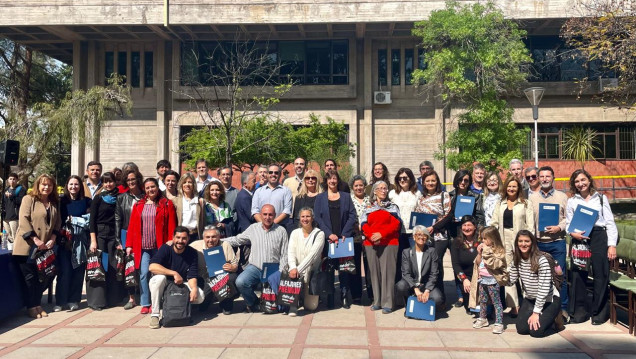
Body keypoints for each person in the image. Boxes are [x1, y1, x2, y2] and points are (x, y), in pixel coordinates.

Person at [566, 169, 617, 325]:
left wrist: (612, 245)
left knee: (601, 275)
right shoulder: (572, 201)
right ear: (573, 184)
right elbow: (568, 223)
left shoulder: (601, 199)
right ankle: (579, 313)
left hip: (599, 237)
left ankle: (599, 313)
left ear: (589, 180)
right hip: (580, 239)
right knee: (578, 275)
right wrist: (573, 234)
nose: (580, 184)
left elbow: (610, 223)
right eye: (577, 181)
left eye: (583, 180)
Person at [222, 204, 288, 313]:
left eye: (270, 214)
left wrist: (281, 272)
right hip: (255, 267)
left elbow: (285, 253)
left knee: (272, 305)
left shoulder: (281, 231)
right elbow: (238, 240)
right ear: (261, 215)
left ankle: (268, 302)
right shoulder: (253, 228)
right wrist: (220, 241)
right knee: (241, 282)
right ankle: (253, 303)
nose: (267, 217)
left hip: (273, 268)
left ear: (275, 215)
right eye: (265, 214)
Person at [126, 178, 177, 314]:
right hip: (143, 248)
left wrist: (171, 240)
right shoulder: (138, 205)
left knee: (159, 275)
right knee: (143, 274)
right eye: (147, 188)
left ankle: (159, 301)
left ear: (157, 187)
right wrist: (129, 244)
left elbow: (172, 224)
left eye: (153, 187)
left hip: (160, 247)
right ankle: (145, 302)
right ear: (145, 190)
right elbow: (132, 227)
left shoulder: (166, 203)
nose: (150, 190)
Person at [14, 174, 61, 318]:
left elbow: (57, 222)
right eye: (44, 184)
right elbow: (23, 220)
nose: (46, 187)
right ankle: (31, 306)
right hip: (27, 247)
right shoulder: (28, 199)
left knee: (43, 277)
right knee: (30, 278)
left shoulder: (54, 202)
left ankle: (37, 304)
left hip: (45, 249)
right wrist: (35, 239)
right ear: (38, 185)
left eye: (50, 185)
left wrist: (53, 238)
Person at [529, 166, 569, 322]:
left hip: (557, 243)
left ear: (553, 178)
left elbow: (568, 218)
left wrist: (559, 227)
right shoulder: (532, 198)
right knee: (539, 277)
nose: (545, 179)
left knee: (560, 276)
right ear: (538, 179)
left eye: (548, 176)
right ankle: (542, 307)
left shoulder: (562, 197)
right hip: (538, 244)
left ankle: (562, 309)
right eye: (542, 176)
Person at [314, 170, 358, 309]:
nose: (332, 181)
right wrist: (329, 234)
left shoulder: (345, 196)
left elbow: (352, 215)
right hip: (329, 240)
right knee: (329, 269)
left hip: (343, 239)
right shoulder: (320, 198)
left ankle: (344, 295)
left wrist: (345, 232)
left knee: (344, 269)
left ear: (338, 180)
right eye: (330, 179)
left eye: (334, 179)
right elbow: (318, 218)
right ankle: (330, 297)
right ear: (326, 181)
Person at [491, 176, 534, 316]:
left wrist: (528, 242)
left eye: (514, 186)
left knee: (525, 271)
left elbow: (531, 226)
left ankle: (529, 302)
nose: (511, 189)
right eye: (509, 186)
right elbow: (494, 223)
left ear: (519, 188)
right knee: (509, 272)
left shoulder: (526, 203)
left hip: (521, 241)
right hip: (504, 240)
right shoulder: (500, 203)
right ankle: (514, 306)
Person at [148, 226, 204, 329]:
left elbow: (192, 275)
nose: (180, 241)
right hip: (165, 284)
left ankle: (183, 310)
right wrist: (173, 273)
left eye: (183, 238)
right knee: (158, 279)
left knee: (200, 296)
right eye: (178, 237)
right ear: (173, 238)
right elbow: (152, 267)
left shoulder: (192, 253)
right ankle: (155, 315)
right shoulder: (166, 248)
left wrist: (194, 288)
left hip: (181, 284)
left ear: (188, 240)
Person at [509, 230, 561, 337]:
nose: (523, 244)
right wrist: (496, 273)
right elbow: (510, 281)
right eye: (520, 241)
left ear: (532, 243)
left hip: (549, 299)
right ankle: (543, 318)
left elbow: (544, 288)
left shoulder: (541, 260)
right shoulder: (516, 260)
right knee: (522, 329)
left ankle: (554, 320)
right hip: (530, 299)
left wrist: (536, 313)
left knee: (536, 332)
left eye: (527, 241)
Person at [361, 181, 402, 313]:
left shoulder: (393, 207)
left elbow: (396, 224)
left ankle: (388, 302)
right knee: (374, 273)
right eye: (380, 188)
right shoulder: (368, 207)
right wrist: (372, 235)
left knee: (388, 273)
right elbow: (363, 224)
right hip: (371, 243)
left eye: (385, 188)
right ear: (374, 191)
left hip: (389, 243)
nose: (384, 190)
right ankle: (377, 301)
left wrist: (382, 234)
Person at [88, 172, 125, 310]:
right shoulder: (98, 198)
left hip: (114, 235)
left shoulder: (120, 198)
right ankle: (97, 301)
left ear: (115, 182)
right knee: (99, 268)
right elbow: (92, 220)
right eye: (105, 182)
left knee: (113, 266)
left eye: (110, 181)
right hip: (100, 235)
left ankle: (113, 299)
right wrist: (93, 240)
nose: (108, 184)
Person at [415, 170, 452, 304]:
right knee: (425, 265)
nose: (430, 183)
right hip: (424, 238)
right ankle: (426, 295)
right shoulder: (421, 198)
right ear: (423, 183)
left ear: (437, 182)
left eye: (433, 180)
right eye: (428, 181)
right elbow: (418, 215)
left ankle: (440, 298)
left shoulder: (444, 195)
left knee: (437, 266)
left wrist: (434, 227)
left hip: (439, 237)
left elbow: (448, 215)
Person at [56, 175, 91, 312]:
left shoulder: (87, 201)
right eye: (71, 184)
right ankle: (60, 301)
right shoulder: (61, 201)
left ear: (80, 186)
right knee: (64, 271)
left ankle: (74, 299)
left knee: (78, 271)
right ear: (67, 185)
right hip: (65, 241)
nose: (73, 187)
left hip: (80, 241)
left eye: (76, 184)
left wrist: (75, 220)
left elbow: (88, 221)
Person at [190, 227, 239, 314]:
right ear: (203, 238)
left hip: (222, 276)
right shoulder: (195, 245)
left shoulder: (225, 245)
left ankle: (226, 304)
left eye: (213, 237)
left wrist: (232, 267)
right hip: (204, 277)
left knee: (231, 278)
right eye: (207, 237)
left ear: (218, 237)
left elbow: (235, 264)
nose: (210, 240)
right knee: (202, 307)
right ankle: (206, 302)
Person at [115, 168, 145, 310]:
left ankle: (146, 296)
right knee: (129, 268)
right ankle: (132, 298)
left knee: (144, 267)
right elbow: (117, 219)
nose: (131, 182)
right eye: (128, 180)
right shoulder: (122, 198)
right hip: (127, 235)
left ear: (138, 179)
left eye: (133, 179)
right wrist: (118, 240)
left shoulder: (146, 196)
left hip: (145, 235)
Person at [470, 226, 508, 334]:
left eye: (485, 239)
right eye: (482, 238)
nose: (483, 241)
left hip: (493, 280)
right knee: (483, 300)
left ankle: (499, 323)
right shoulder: (484, 250)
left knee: (496, 302)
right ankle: (483, 318)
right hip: (482, 280)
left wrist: (485, 251)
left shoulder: (499, 251)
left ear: (493, 238)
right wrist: (479, 253)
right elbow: (477, 263)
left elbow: (493, 264)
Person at [395, 226, 444, 311]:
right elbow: (405, 273)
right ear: (414, 237)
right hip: (412, 284)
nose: (421, 237)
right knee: (400, 286)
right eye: (418, 234)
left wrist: (427, 290)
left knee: (438, 298)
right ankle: (409, 302)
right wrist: (416, 289)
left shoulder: (432, 251)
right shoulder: (406, 252)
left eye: (424, 235)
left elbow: (434, 273)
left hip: (425, 284)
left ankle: (423, 306)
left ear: (427, 238)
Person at [287, 207, 325, 316]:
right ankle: (294, 304)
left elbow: (312, 256)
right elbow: (291, 252)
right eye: (303, 216)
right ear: (299, 218)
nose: (305, 219)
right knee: (293, 298)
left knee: (311, 306)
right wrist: (293, 268)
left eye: (308, 216)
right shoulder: (295, 233)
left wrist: (298, 270)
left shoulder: (319, 234)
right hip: (295, 273)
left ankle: (305, 296)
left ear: (312, 218)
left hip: (311, 273)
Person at [389, 168, 421, 282]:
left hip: (412, 232)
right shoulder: (392, 194)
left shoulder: (417, 193)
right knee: (398, 260)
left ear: (411, 179)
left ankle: (413, 286)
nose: (402, 180)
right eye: (400, 178)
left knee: (413, 260)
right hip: (398, 232)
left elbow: (419, 210)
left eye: (405, 178)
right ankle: (399, 288)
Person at [450, 215, 480, 313]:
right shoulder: (456, 242)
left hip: (480, 275)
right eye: (464, 225)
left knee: (482, 308)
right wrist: (464, 280)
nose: (467, 228)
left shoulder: (481, 241)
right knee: (470, 308)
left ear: (475, 226)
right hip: (466, 277)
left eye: (469, 225)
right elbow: (456, 264)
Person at [350, 175, 372, 303]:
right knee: (355, 267)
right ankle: (356, 294)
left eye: (361, 185)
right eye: (356, 185)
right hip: (354, 237)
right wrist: (356, 225)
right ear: (352, 187)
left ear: (364, 186)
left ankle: (371, 294)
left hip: (368, 237)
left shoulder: (370, 200)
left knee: (369, 266)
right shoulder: (349, 200)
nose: (359, 188)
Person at [251, 164, 293, 233]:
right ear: (267, 174)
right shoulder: (258, 191)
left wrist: (272, 224)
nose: (273, 174)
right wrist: (264, 225)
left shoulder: (286, 191)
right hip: (262, 229)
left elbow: (287, 211)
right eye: (270, 172)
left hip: (280, 228)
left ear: (280, 174)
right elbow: (255, 211)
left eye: (276, 173)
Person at [173, 172, 204, 242]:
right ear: (181, 185)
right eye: (184, 182)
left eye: (190, 182)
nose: (187, 184)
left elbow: (203, 221)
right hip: (181, 236)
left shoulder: (200, 201)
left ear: (194, 185)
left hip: (196, 235)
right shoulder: (176, 201)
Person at [2, 172, 26, 250]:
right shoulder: (6, 189)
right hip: (6, 217)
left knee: (15, 235)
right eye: (10, 179)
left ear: (17, 180)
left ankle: (17, 251)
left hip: (15, 217)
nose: (12, 181)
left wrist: (12, 196)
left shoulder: (21, 189)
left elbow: (21, 201)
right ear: (8, 180)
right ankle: (11, 250)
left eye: (14, 179)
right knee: (8, 236)